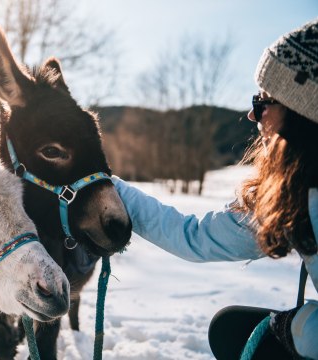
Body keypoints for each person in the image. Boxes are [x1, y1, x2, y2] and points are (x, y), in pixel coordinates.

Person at [112, 19, 318, 359]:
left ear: (302, 112)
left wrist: (304, 327)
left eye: (263, 101)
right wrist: (114, 190)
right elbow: (194, 237)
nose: (253, 115)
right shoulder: (291, 195)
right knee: (231, 329)